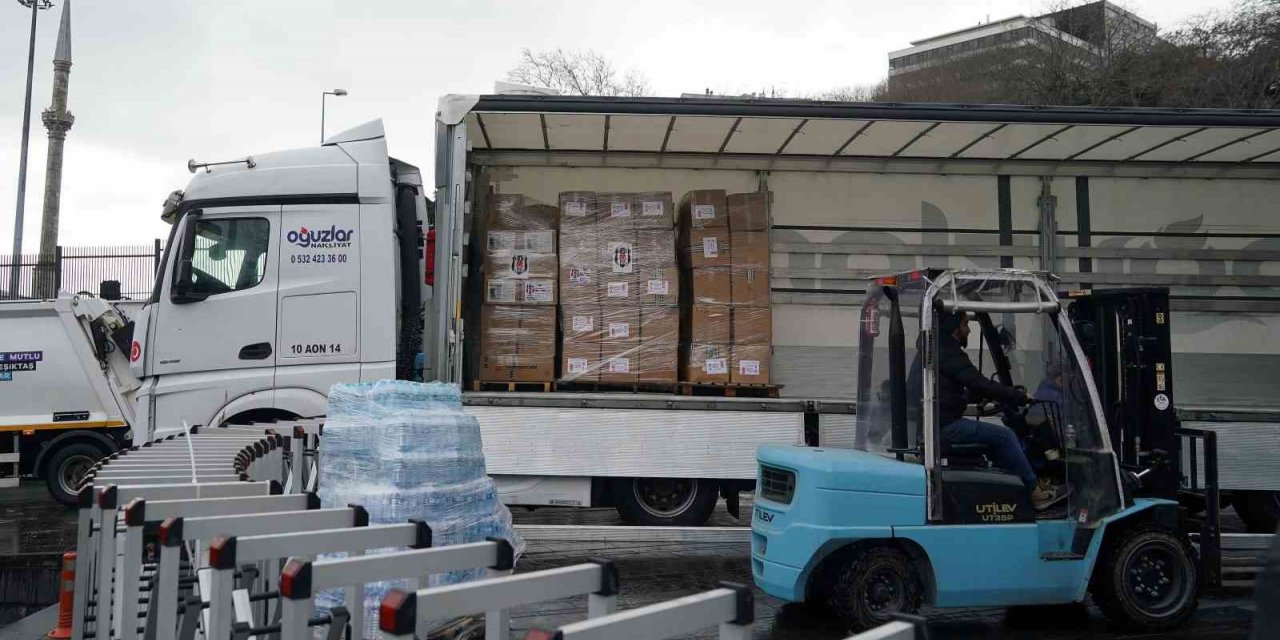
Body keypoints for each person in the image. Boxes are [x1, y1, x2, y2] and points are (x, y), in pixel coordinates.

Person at [937, 310, 1065, 510]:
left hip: (941, 422)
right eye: (965, 324)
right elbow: (979, 383)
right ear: (954, 327)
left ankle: (1018, 487)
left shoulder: (940, 351)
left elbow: (953, 390)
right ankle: (1035, 493)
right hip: (946, 426)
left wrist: (974, 396)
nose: (969, 330)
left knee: (994, 444)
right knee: (1005, 436)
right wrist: (1018, 396)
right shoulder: (948, 353)